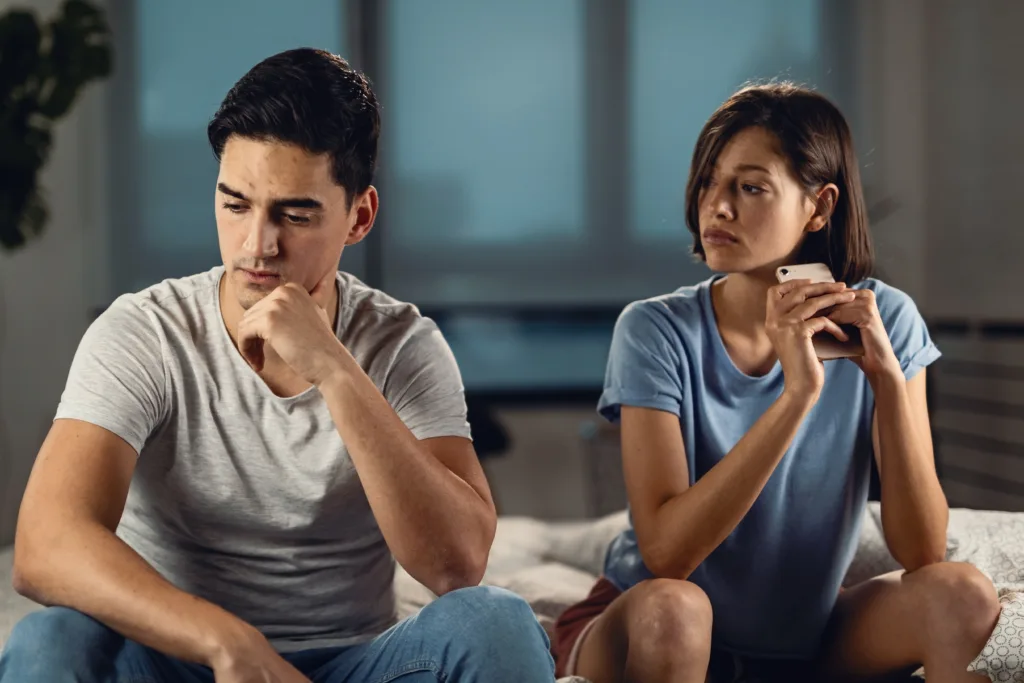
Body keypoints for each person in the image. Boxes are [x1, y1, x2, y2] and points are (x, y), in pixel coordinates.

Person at [0, 48, 554, 683]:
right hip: (186, 659)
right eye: (235, 204)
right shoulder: (146, 332)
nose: (256, 246)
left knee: (497, 624)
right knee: (51, 639)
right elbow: (45, 544)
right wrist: (227, 641)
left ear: (360, 216)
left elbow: (455, 568)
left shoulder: (403, 344)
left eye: (294, 215)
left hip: (354, 664)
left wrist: (336, 369)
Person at [552, 82, 1000, 683]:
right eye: (709, 181)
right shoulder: (655, 329)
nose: (718, 206)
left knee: (963, 594)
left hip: (805, 636)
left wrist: (888, 382)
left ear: (818, 207)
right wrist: (797, 394)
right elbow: (666, 556)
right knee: (675, 610)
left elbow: (921, 551)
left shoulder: (885, 319)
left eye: (750, 186)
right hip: (654, 623)